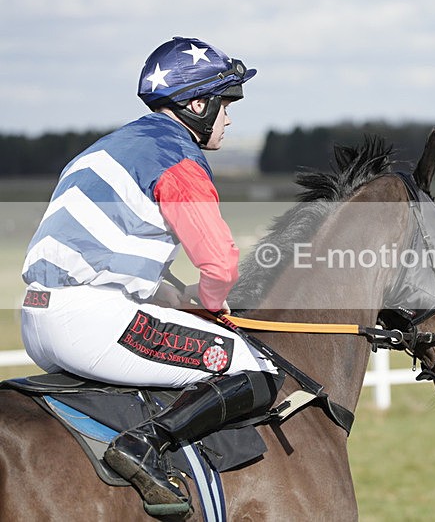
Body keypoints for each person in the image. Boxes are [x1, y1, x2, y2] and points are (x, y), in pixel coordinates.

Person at [20, 37, 277, 508]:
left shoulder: (109, 147)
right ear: (198, 104)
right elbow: (219, 262)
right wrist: (211, 305)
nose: (229, 118)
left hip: (37, 320)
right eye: (225, 104)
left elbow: (101, 251)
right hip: (91, 324)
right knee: (255, 369)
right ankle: (144, 445)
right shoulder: (178, 159)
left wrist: (170, 295)